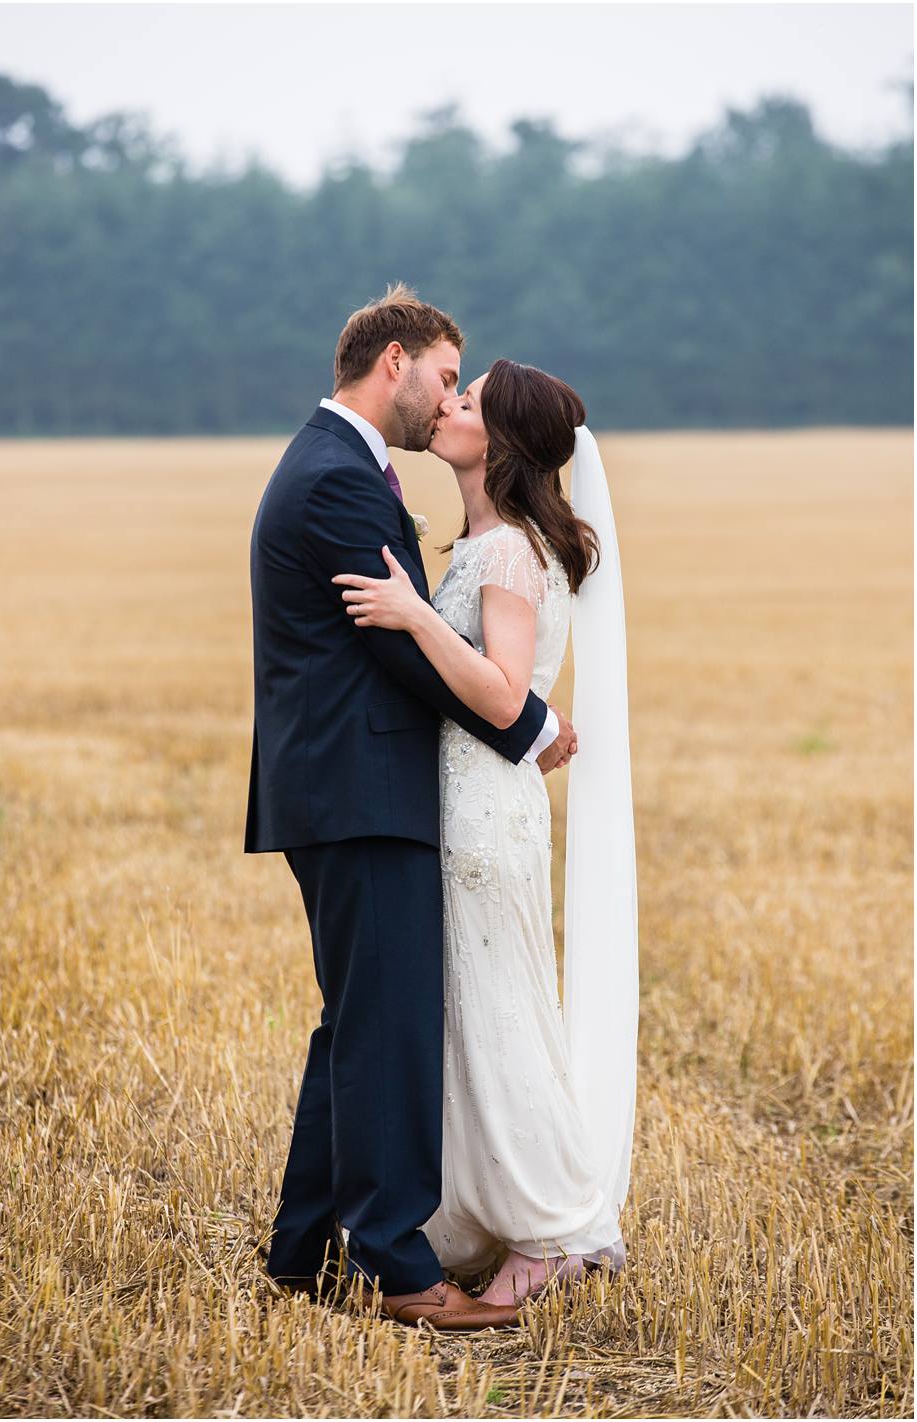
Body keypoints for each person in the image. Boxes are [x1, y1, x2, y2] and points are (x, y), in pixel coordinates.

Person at [245, 287, 579, 1330]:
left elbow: (416, 641)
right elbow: (403, 652)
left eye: (461, 391)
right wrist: (527, 725)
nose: (444, 402)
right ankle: (399, 1274)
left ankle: (305, 1253)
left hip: (358, 789)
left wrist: (515, 709)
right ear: (393, 362)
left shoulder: (339, 466)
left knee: (359, 1028)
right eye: (442, 377)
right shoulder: (339, 477)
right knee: (384, 1033)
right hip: (360, 792)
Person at [333, 358, 638, 1306]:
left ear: (498, 441)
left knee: (498, 1006)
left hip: (482, 814)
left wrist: (417, 618)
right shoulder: (485, 543)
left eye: (467, 399)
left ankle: (551, 1232)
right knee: (470, 1007)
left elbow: (506, 695)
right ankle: (487, 1211)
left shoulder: (506, 552)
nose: (448, 406)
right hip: (463, 799)